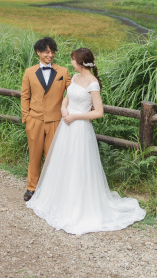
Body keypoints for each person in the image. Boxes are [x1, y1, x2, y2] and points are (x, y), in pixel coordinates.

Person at [26, 47, 146, 234]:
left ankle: (78, 205)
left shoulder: (92, 83)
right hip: (66, 126)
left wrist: (75, 117)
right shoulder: (74, 78)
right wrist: (65, 111)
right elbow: (67, 99)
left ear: (81, 63)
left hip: (80, 128)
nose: (71, 62)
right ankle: (59, 200)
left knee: (78, 164)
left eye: (73, 60)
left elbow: (98, 112)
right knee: (64, 162)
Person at [20, 36, 71, 202]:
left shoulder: (63, 72)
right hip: (34, 120)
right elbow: (25, 96)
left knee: (53, 156)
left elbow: (73, 93)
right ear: (38, 52)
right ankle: (31, 188)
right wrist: (26, 117)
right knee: (34, 155)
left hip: (56, 120)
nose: (50, 55)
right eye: (46, 51)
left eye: (53, 51)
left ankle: (52, 189)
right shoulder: (29, 72)